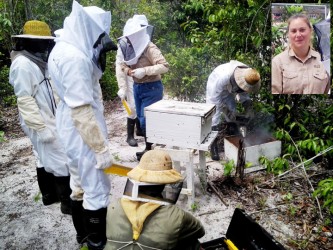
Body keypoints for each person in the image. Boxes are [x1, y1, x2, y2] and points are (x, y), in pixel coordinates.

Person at [48, 1, 117, 249]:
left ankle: (83, 238)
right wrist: (100, 149)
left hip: (68, 126)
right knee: (96, 188)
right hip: (81, 131)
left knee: (78, 183)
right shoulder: (74, 59)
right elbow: (81, 111)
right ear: (88, 30)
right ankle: (98, 242)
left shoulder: (61, 48)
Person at [9, 20, 72, 215]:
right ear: (28, 42)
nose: (46, 45)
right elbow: (25, 100)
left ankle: (48, 195)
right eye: (41, 42)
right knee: (59, 158)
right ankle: (66, 202)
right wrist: (41, 127)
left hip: (46, 116)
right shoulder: (22, 64)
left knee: (42, 157)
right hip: (39, 120)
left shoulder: (34, 61)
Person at [105, 150, 205, 250]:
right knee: (192, 243)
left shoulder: (113, 206)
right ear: (163, 185)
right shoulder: (177, 215)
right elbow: (200, 231)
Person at [117, 14, 169, 161]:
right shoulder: (129, 48)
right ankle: (149, 149)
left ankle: (153, 152)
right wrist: (128, 71)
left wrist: (145, 71)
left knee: (148, 120)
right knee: (141, 118)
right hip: (138, 87)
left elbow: (164, 66)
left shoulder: (149, 47)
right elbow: (122, 64)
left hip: (152, 87)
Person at [206, 60, 261, 161]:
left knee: (233, 110)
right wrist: (224, 110)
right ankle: (213, 147)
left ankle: (231, 136)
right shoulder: (222, 77)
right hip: (215, 86)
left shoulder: (248, 75)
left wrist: (248, 107)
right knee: (215, 116)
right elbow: (215, 100)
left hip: (228, 88)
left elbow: (244, 92)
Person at [272, 14, 330, 94]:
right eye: (293, 31)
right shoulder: (278, 62)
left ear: (310, 31)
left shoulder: (322, 59)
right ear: (288, 34)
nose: (298, 35)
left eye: (302, 30)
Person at [115, 42, 143, 147]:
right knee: (132, 106)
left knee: (142, 103)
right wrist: (122, 87)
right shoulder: (123, 44)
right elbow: (119, 65)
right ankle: (129, 136)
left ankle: (140, 129)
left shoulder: (143, 38)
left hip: (142, 73)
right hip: (129, 75)